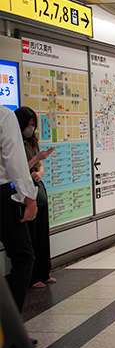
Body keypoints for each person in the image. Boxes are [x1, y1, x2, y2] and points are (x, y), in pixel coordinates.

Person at [0, 106, 39, 312]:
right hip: (1, 198)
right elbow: (14, 161)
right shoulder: (4, 115)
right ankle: (9, 328)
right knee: (23, 257)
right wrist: (29, 200)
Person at [15, 107, 56, 289]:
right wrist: (36, 161)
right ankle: (32, 277)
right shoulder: (14, 143)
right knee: (31, 234)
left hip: (37, 190)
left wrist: (39, 171)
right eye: (29, 124)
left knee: (42, 232)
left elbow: (40, 166)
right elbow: (18, 168)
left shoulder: (33, 142)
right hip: (23, 192)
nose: (31, 128)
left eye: (33, 125)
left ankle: (43, 272)